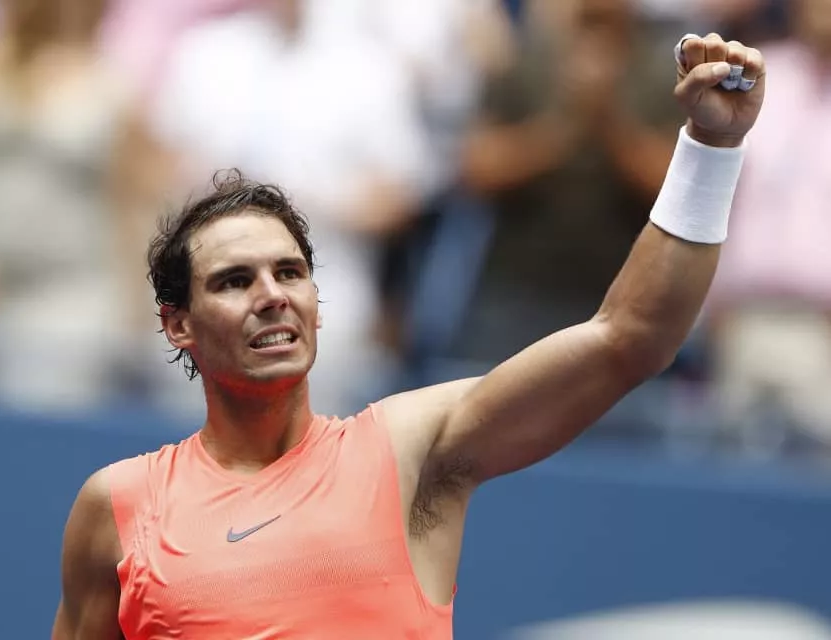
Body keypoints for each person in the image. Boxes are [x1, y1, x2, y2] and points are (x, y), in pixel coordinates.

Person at [51, 33, 766, 639]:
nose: (272, 295)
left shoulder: (411, 452)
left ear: (316, 304)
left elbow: (630, 337)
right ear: (178, 324)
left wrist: (711, 147)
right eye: (235, 280)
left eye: (290, 272)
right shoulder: (117, 507)